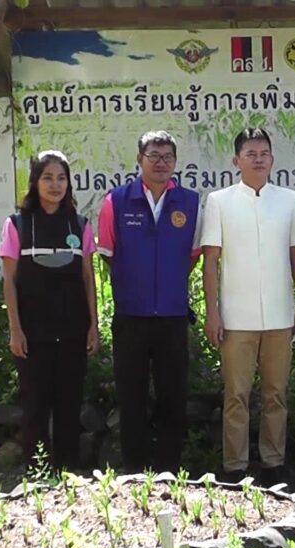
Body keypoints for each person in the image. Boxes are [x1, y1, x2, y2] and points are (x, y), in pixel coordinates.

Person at [201, 128, 295, 486]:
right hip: (236, 317)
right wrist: (212, 311)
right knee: (236, 395)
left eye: (264, 153)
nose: (259, 159)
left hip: (279, 314)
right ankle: (234, 466)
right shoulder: (219, 201)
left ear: (272, 159)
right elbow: (210, 261)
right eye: (251, 153)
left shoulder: (288, 200)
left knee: (276, 393)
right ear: (237, 160)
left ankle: (273, 463)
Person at [98, 131, 201, 473]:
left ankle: (169, 470)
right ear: (139, 159)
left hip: (172, 316)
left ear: (175, 162)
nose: (161, 163)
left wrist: (167, 283)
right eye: (153, 155)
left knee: (173, 397)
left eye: (168, 156)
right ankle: (134, 471)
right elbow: (108, 253)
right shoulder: (116, 201)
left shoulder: (190, 202)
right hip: (131, 316)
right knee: (132, 397)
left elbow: (193, 255)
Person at [0, 150, 99, 471]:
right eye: (47, 178)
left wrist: (93, 325)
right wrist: (15, 329)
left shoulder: (79, 224)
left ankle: (69, 474)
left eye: (61, 178)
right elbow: (10, 280)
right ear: (35, 182)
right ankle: (37, 474)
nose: (55, 185)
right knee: (36, 407)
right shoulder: (17, 224)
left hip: (72, 332)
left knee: (69, 404)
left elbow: (88, 277)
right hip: (32, 334)